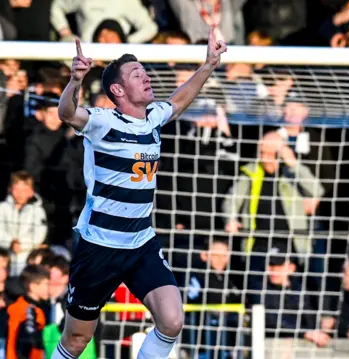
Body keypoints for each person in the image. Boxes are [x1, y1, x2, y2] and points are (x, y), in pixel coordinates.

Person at [52, 29, 227, 359]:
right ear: (118, 90)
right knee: (77, 341)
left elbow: (176, 102)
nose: (146, 77)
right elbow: (67, 113)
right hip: (100, 246)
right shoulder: (103, 122)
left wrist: (209, 65)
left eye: (145, 71)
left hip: (140, 243)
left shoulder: (152, 119)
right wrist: (75, 82)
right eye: (137, 74)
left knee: (172, 320)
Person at [6, 265, 50, 359]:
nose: (48, 288)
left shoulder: (16, 306)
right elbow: (24, 345)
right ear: (33, 286)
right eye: (46, 284)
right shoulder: (31, 311)